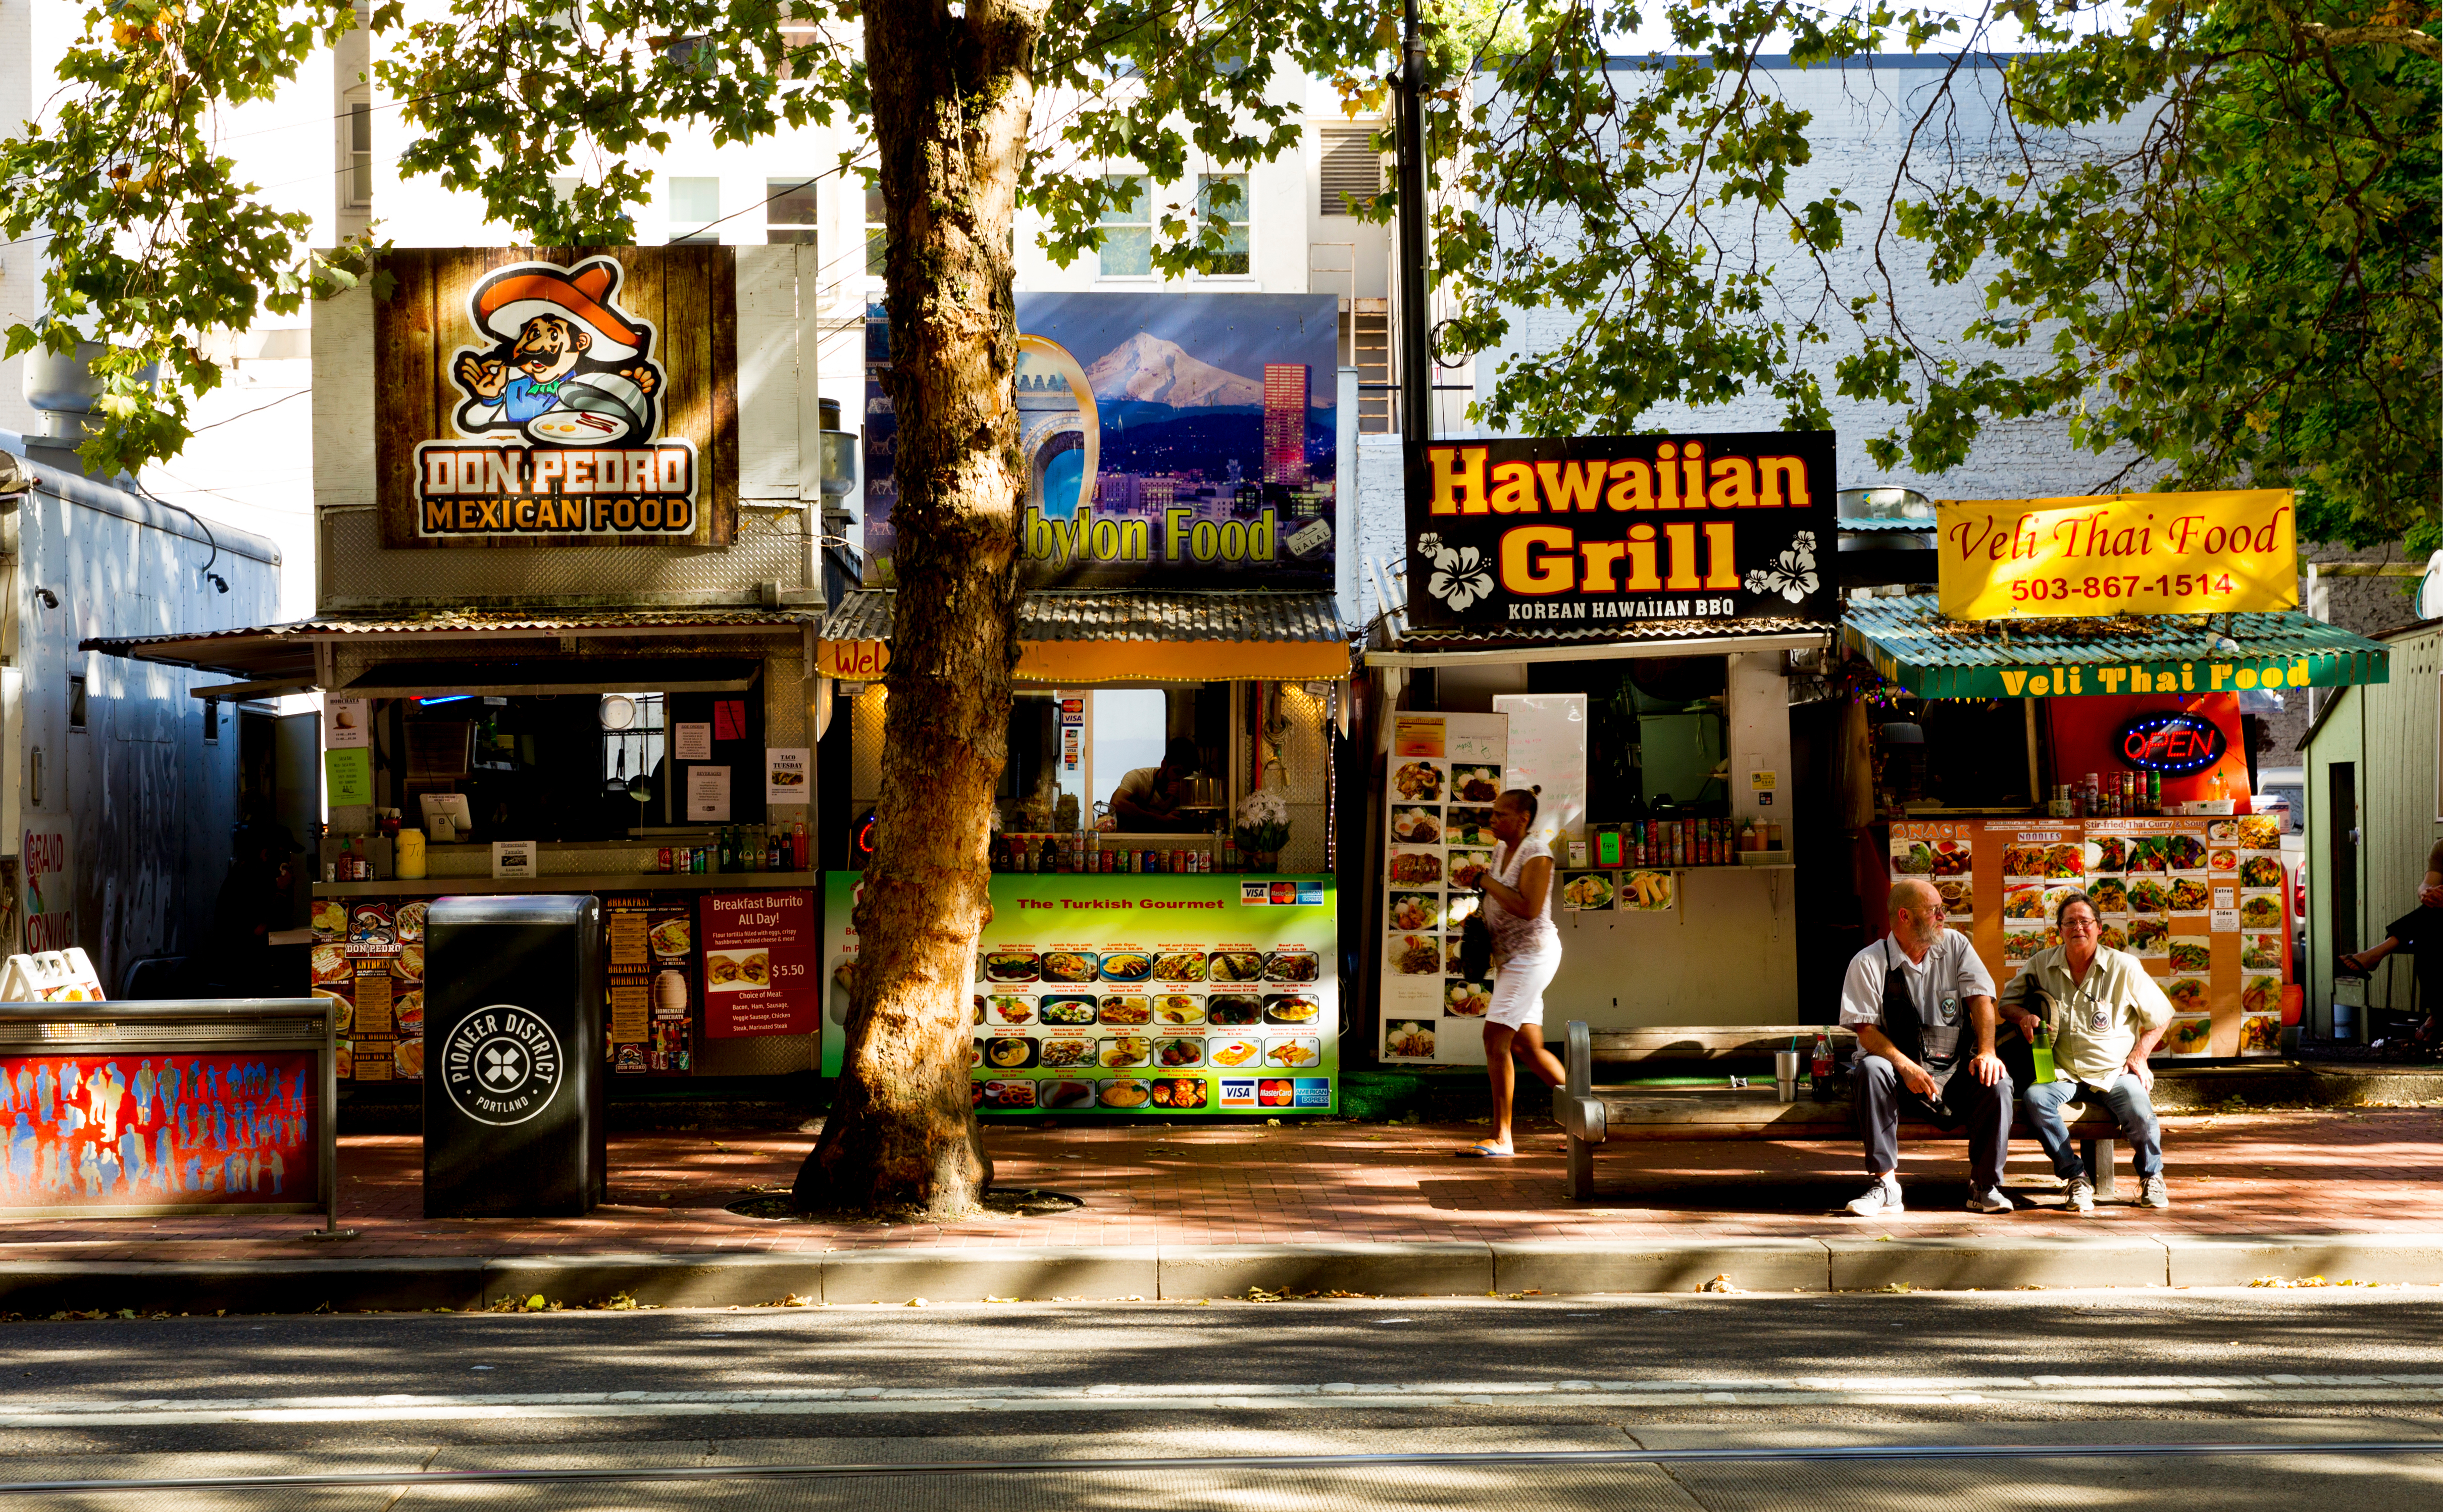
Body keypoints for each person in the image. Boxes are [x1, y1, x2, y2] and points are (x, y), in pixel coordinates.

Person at [1838, 876, 2015, 1216]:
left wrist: (1987, 1051)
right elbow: (1865, 1031)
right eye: (1935, 910)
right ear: (1904, 916)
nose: (1943, 916)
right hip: (1897, 1073)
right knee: (1871, 1069)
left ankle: (1984, 1185)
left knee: (1998, 1081)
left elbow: (1982, 1000)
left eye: (1942, 910)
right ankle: (1886, 1185)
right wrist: (1904, 1065)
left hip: (1951, 1068)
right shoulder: (1868, 962)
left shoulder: (1956, 946)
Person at [2001, 890, 2174, 1213]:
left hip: (2113, 1072)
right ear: (2060, 930)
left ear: (2099, 928)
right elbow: (2006, 1004)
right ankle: (2075, 1178)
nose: (2078, 928)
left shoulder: (2124, 966)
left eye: (2085, 922)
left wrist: (2139, 1056)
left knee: (2140, 1108)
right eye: (2070, 923)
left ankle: (2152, 1176)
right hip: (2061, 1072)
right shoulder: (2041, 964)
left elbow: (2162, 1016)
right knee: (2037, 1100)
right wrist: (2023, 1017)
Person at [1459, 787, 1566, 1158]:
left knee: (1495, 1039)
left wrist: (1487, 882)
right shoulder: (1501, 849)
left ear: (1523, 819)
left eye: (1500, 814)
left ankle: (1502, 1137)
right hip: (1510, 959)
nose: (1492, 820)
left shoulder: (1537, 852)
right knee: (1527, 1047)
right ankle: (1594, 1117)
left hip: (1532, 956)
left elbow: (1529, 908)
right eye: (1492, 813)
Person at [2336, 838, 2443, 1051]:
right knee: (2426, 933)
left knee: (2428, 922)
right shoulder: (2441, 847)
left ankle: (2375, 954)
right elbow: (2428, 883)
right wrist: (2425, 893)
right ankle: (2438, 1017)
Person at [1107, 737, 1204, 832]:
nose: (1182, 779)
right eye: (1178, 772)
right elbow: (1116, 803)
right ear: (1164, 765)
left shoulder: (1193, 783)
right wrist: (1161, 820)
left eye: (1188, 774)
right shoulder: (1139, 777)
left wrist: (1184, 797)